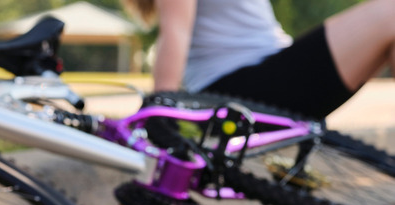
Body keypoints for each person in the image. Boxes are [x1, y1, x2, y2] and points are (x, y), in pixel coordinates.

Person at [124, 0, 395, 119]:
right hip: (238, 89)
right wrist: (160, 110)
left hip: (268, 74)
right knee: (390, 14)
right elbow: (175, 31)